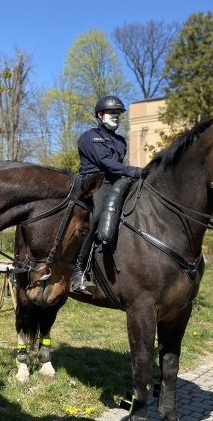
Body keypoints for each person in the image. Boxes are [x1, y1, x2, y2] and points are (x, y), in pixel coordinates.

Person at [70, 95, 142, 295]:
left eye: (118, 114)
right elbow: (105, 163)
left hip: (116, 181)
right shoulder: (90, 137)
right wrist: (133, 171)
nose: (116, 117)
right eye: (112, 113)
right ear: (100, 115)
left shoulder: (120, 140)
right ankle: (78, 271)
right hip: (95, 183)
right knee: (99, 214)